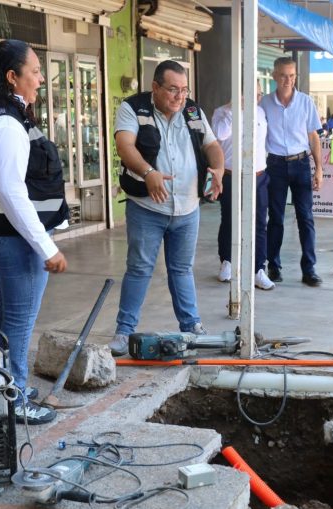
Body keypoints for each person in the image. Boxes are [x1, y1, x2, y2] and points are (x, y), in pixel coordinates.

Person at [0, 39, 69, 425]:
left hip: (4, 235)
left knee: (7, 315)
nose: (41, 79)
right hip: (14, 239)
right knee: (20, 321)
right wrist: (46, 246)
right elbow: (10, 191)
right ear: (13, 77)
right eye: (35, 71)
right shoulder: (5, 123)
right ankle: (15, 398)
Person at [108, 60, 224, 356]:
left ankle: (192, 326)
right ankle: (123, 332)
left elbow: (211, 145)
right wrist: (149, 173)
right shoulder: (133, 108)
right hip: (148, 207)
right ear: (156, 87)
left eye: (184, 90)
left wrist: (219, 169)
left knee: (182, 269)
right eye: (173, 89)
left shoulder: (192, 111)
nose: (179, 96)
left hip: (187, 208)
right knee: (139, 268)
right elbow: (125, 146)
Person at [260, 57, 323, 287]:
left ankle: (309, 269)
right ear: (275, 76)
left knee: (305, 217)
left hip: (301, 164)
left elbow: (313, 137)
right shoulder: (264, 103)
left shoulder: (306, 102)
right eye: (284, 75)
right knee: (275, 218)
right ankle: (273, 267)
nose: (289, 80)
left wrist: (318, 169)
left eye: (292, 75)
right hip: (275, 165)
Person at [211, 83, 274, 290]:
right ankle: (227, 261)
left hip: (257, 175)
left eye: (258, 94)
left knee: (259, 223)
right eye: (251, 93)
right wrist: (233, 109)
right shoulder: (221, 113)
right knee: (230, 219)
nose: (255, 98)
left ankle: (258, 269)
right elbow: (219, 134)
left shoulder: (260, 112)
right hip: (232, 175)